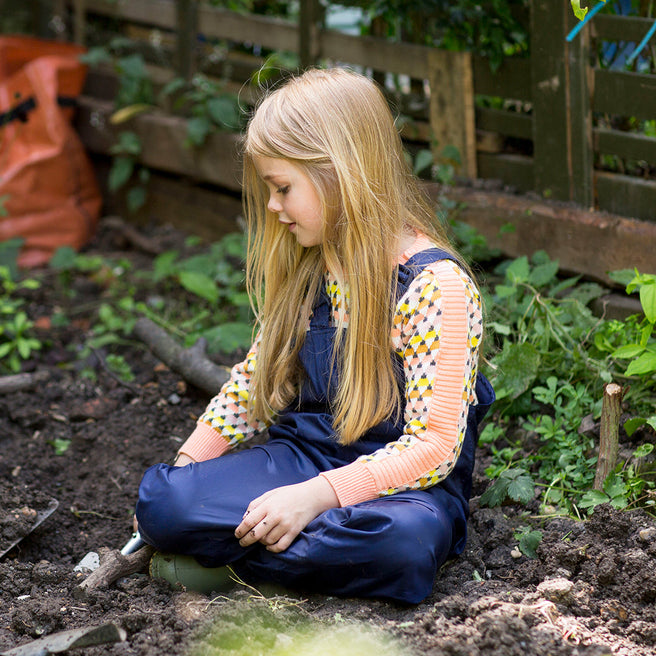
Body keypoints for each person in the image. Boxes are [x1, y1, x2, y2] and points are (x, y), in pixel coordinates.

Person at [135, 67, 494, 605]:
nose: (274, 206)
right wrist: (188, 468)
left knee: (403, 546)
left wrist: (314, 498)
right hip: (299, 459)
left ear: (338, 173)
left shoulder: (433, 287)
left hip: (398, 491)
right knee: (163, 502)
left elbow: (434, 448)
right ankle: (296, 564)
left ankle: (233, 565)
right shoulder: (313, 271)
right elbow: (254, 386)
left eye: (283, 188)